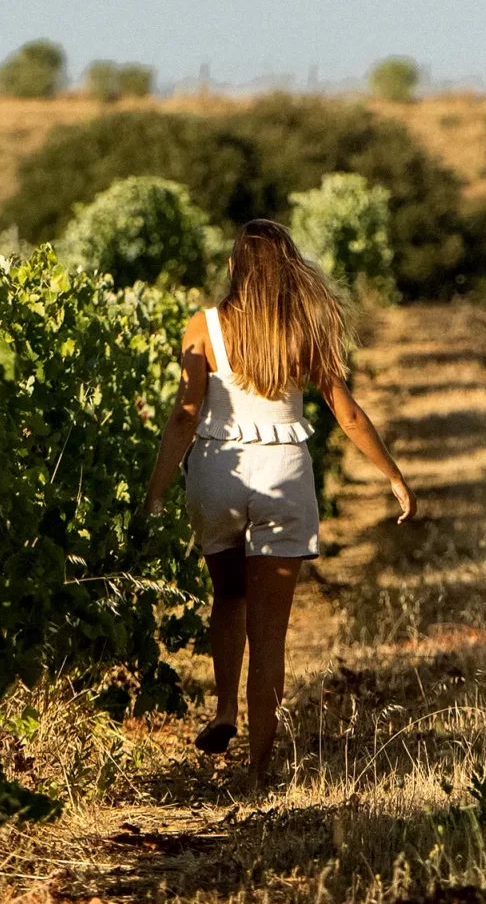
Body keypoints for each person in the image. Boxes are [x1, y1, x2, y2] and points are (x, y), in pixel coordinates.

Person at [144, 218, 413, 784]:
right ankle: (261, 770)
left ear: (234, 268)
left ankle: (222, 711)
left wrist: (157, 488)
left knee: (228, 597)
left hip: (219, 471)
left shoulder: (205, 326)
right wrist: (392, 474)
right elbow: (348, 414)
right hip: (284, 473)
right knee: (271, 629)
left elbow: (184, 414)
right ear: (288, 268)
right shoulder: (306, 326)